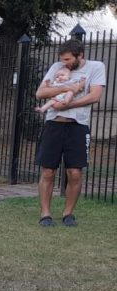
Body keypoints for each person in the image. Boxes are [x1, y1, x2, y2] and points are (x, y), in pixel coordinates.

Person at [34, 39, 106, 227]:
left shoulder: (96, 67)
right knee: (48, 170)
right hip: (53, 124)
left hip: (78, 126)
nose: (64, 63)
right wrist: (66, 88)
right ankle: (46, 214)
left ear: (80, 55)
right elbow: (40, 93)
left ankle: (68, 214)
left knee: (74, 172)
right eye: (62, 59)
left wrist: (65, 104)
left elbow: (95, 96)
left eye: (67, 59)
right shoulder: (56, 66)